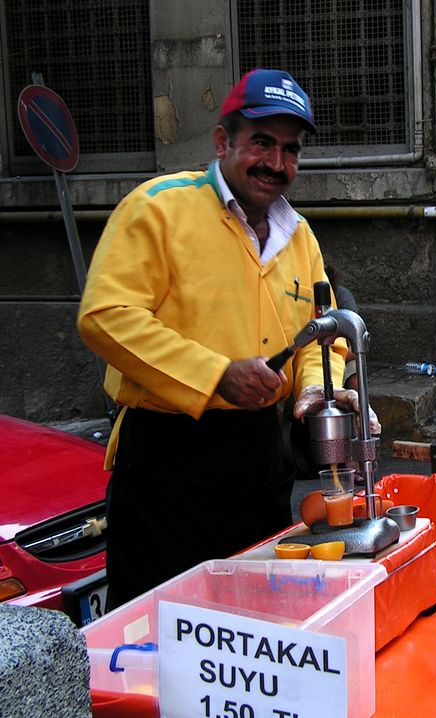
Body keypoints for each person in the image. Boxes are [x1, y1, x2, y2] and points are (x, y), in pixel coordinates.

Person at [78, 69, 374, 608]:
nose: (276, 164)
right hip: (169, 464)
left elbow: (321, 333)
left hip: (263, 462)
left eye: (291, 150)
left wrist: (315, 388)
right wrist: (216, 374)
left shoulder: (298, 235)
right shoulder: (159, 208)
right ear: (223, 142)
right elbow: (106, 315)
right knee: (164, 627)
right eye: (262, 142)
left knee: (254, 617)